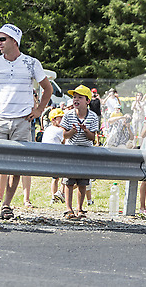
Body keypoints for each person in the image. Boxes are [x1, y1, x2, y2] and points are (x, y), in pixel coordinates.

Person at [0, 24, 53, 219]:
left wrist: (39, 110)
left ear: (14, 41)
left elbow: (48, 89)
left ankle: (7, 205)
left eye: (3, 39)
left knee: (16, 164)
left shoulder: (31, 63)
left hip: (22, 120)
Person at [60, 85, 99, 219]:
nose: (76, 100)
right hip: (71, 152)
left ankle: (80, 208)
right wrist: (72, 131)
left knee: (83, 183)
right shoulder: (68, 115)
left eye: (79, 97)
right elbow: (64, 135)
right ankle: (68, 209)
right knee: (69, 182)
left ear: (87, 101)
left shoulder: (93, 117)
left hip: (85, 153)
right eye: (74, 97)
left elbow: (93, 137)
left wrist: (85, 130)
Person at [41, 108, 66, 203]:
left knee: (55, 178)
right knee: (66, 176)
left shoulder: (48, 129)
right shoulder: (58, 130)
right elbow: (65, 142)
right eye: (60, 118)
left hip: (49, 157)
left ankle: (54, 197)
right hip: (56, 157)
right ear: (53, 120)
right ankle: (60, 193)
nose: (62, 120)